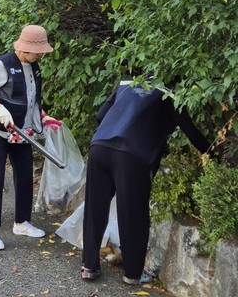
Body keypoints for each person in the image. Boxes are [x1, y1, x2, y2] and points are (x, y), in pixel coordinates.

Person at [81, 79, 213, 285]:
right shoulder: (169, 95)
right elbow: (191, 132)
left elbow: (100, 116)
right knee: (133, 213)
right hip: (133, 155)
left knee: (95, 208)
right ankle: (133, 274)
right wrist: (214, 153)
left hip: (99, 147)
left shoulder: (125, 84)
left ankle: (89, 267)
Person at [0, 25, 61, 251]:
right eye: (38, 51)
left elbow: (30, 99)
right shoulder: (1, 65)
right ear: (25, 48)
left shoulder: (34, 66)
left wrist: (43, 117)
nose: (41, 55)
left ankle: (21, 222)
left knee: (25, 176)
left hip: (23, 132)